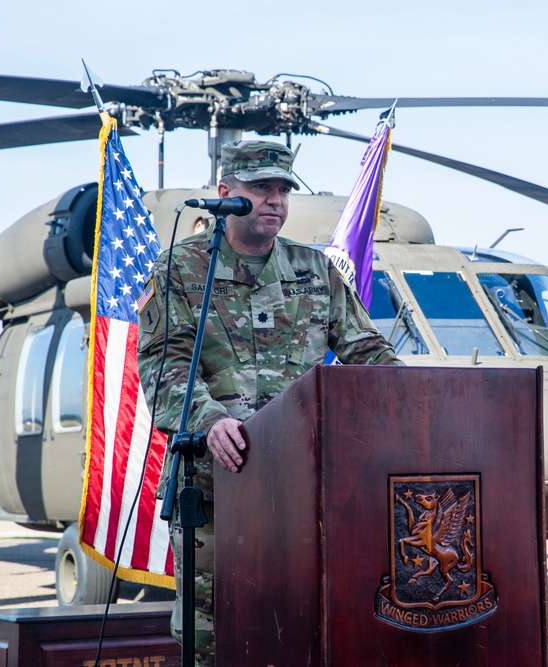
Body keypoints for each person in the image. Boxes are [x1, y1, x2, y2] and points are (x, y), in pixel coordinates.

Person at [136, 139, 403, 665]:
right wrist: (209, 421)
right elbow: (162, 367)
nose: (275, 200)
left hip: (305, 490)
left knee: (305, 624)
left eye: (283, 189)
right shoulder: (181, 270)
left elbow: (368, 352)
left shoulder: (316, 271)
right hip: (214, 489)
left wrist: (414, 398)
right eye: (261, 188)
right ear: (225, 193)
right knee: (211, 637)